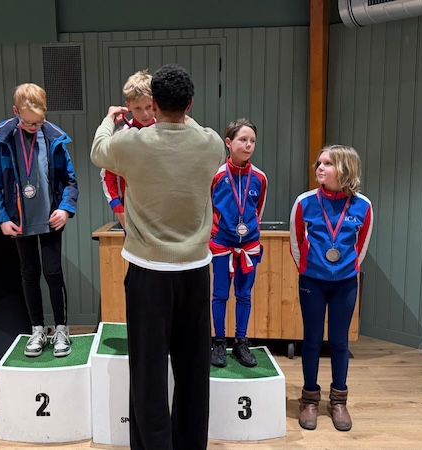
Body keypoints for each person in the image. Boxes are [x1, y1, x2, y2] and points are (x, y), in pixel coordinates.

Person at [91, 63, 226, 450]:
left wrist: (109, 119)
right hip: (195, 271)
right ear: (190, 103)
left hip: (148, 271)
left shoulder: (131, 144)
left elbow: (98, 151)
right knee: (193, 370)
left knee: (148, 371)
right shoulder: (212, 143)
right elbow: (192, 129)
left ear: (153, 104)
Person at [0, 83, 78, 358]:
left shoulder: (54, 137)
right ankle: (37, 329)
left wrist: (65, 209)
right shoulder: (3, 140)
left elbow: (70, 180)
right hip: (20, 221)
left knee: (53, 273)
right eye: (28, 122)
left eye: (38, 122)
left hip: (50, 219)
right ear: (16, 112)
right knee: (29, 273)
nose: (33, 127)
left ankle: (61, 329)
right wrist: (2, 218)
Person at [289, 145, 374, 432]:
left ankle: (338, 401)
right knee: (312, 340)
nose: (320, 168)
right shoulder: (304, 202)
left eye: (327, 164)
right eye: (319, 163)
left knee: (339, 342)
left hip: (345, 283)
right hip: (312, 281)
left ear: (345, 169)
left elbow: (361, 246)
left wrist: (346, 269)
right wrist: (308, 269)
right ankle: (309, 399)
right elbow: (296, 240)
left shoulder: (363, 205)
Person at [209, 118, 268, 368]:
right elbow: (207, 208)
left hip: (248, 247)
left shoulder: (260, 178)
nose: (248, 145)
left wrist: (247, 233)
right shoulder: (217, 176)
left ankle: (241, 342)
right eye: (243, 140)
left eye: (252, 140)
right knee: (220, 294)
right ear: (229, 142)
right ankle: (219, 341)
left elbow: (258, 211)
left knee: (244, 295)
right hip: (222, 245)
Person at [100, 69, 156, 229]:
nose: (145, 114)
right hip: (133, 215)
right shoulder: (122, 135)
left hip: (165, 214)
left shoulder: (167, 131)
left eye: (149, 106)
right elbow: (107, 175)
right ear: (128, 106)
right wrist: (118, 208)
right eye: (138, 108)